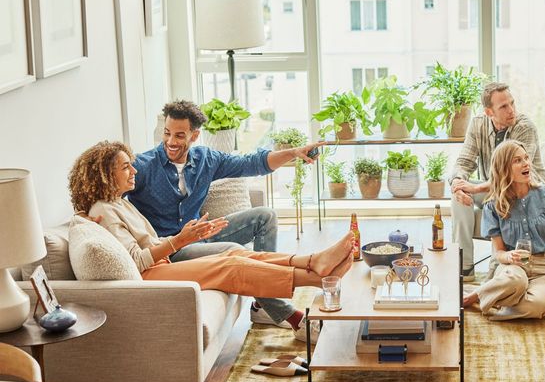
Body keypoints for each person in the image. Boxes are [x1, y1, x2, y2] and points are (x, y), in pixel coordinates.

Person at [69, 141, 354, 329]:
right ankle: (320, 279)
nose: (134, 171)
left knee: (235, 254)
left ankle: (314, 260)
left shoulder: (117, 201)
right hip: (149, 277)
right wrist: (180, 240)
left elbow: (251, 162)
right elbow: (137, 261)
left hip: (163, 264)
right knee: (230, 265)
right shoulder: (104, 210)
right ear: (106, 174)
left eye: (131, 164)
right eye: (125, 167)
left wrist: (186, 237)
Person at [127, 101, 325, 333]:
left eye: (180, 135)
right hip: (172, 249)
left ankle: (262, 304)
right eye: (167, 133)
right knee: (232, 250)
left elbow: (253, 163)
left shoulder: (206, 159)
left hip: (202, 234)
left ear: (195, 136)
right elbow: (111, 190)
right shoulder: (142, 166)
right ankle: (290, 315)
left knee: (265, 216)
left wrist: (293, 153)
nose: (171, 142)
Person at [462, 140, 545, 321]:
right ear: (504, 168)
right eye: (517, 160)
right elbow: (498, 252)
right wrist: (507, 257)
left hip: (544, 270)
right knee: (515, 281)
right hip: (513, 267)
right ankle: (477, 296)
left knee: (537, 306)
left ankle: (490, 300)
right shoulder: (493, 205)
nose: (526, 164)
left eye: (526, 158)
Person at [449, 82, 545, 281]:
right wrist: (458, 183)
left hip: (526, 191)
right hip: (495, 190)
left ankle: (500, 265)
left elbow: (512, 175)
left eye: (512, 103)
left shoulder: (524, 127)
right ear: (488, 111)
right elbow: (464, 161)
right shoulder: (478, 123)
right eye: (503, 106)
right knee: (458, 197)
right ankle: (465, 267)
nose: (511, 110)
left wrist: (476, 187)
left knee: (477, 191)